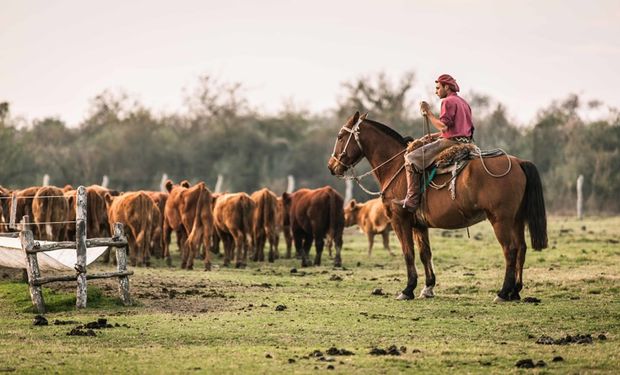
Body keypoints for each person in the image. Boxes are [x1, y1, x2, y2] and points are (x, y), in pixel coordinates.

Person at [393, 74, 474, 212]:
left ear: (446, 87)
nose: (436, 91)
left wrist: (428, 112)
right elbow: (456, 129)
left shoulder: (447, 101)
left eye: (438, 88)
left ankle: (412, 199)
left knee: (410, 158)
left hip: (451, 143)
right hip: (466, 141)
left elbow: (443, 126)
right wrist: (433, 137)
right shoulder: (463, 102)